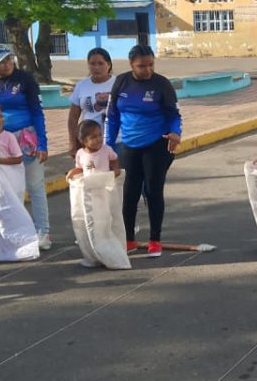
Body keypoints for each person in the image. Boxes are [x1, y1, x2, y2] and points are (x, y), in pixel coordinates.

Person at [106, 44, 181, 258]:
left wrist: (175, 133)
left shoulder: (161, 84)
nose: (147, 69)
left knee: (153, 191)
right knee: (129, 193)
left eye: (150, 64)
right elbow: (112, 117)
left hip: (157, 145)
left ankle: (155, 240)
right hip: (129, 145)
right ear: (131, 65)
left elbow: (174, 115)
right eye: (141, 66)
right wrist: (108, 146)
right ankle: (129, 238)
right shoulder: (121, 82)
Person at [0, 43, 51, 251]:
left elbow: (37, 111)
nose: (6, 64)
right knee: (7, 190)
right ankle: (14, 232)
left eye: (9, 59)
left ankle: (43, 231)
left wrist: (43, 142)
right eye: (1, 61)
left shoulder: (25, 79)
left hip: (26, 138)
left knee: (35, 185)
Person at [0, 103, 40, 262]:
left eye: (0, 116)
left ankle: (22, 244)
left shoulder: (8, 136)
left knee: (11, 208)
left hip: (9, 178)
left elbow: (18, 158)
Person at [67, 47, 115, 158]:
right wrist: (72, 141)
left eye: (100, 63)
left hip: (116, 139)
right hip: (89, 141)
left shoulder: (118, 83)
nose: (96, 67)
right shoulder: (82, 85)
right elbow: (73, 117)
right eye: (92, 64)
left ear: (108, 64)